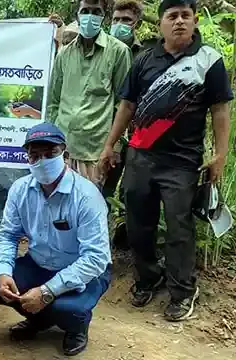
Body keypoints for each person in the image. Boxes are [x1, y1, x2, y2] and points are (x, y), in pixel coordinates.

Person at [99, 0, 232, 321]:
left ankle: (183, 290)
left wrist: (220, 154)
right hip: (141, 157)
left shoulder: (209, 60)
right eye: (172, 16)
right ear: (160, 24)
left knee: (179, 228)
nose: (179, 22)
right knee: (137, 224)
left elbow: (220, 109)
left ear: (195, 20)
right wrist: (110, 144)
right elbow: (127, 106)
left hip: (182, 162)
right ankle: (148, 278)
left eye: (186, 16)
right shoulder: (144, 60)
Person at [0, 123, 111, 356]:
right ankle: (39, 319)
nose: (42, 161)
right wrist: (4, 271)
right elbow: (8, 235)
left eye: (50, 153)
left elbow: (96, 258)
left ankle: (76, 328)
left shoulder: (86, 196)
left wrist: (47, 291)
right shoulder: (20, 189)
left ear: (66, 154)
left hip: (82, 269)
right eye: (34, 155)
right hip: (39, 263)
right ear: (27, 158)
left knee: (69, 309)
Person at [48, 0, 132, 186]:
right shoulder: (65, 54)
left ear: (104, 17)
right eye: (85, 10)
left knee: (89, 209)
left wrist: (113, 147)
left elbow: (123, 105)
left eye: (96, 11)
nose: (89, 16)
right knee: (59, 207)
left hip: (95, 152)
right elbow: (54, 102)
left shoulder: (119, 52)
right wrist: (50, 143)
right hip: (62, 149)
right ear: (78, 15)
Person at [106, 0, 145, 249]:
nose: (120, 25)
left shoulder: (145, 55)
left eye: (126, 21)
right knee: (105, 185)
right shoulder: (104, 50)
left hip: (139, 134)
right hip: (106, 131)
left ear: (136, 24)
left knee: (131, 189)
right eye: (116, 20)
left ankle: (124, 237)